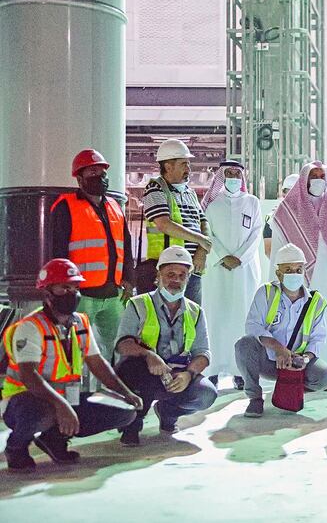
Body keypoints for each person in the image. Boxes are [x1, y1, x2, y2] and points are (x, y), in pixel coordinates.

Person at [2, 259, 142, 472]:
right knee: (41, 412)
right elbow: (29, 376)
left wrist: (126, 392)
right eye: (65, 287)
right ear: (48, 294)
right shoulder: (31, 327)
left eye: (76, 288)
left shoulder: (81, 323)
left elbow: (98, 364)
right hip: (25, 402)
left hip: (69, 398)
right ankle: (16, 447)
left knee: (126, 411)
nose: (73, 293)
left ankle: (54, 439)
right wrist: (61, 405)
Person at [115, 246, 218, 446]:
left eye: (182, 275)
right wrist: (147, 355)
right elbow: (123, 344)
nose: (176, 280)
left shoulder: (195, 311)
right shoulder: (138, 304)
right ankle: (132, 424)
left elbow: (203, 353)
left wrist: (188, 375)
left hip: (176, 374)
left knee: (206, 393)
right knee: (133, 372)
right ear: (159, 275)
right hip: (143, 372)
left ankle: (168, 413)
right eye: (170, 274)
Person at [268, 161, 327, 391]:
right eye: (313, 175)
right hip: (297, 280)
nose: (317, 179)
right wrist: (277, 280)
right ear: (304, 180)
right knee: (297, 324)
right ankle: (297, 374)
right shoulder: (287, 211)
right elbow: (278, 249)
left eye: (321, 175)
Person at [50, 149, 136, 368]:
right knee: (77, 349)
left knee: (120, 348)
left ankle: (116, 392)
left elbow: (125, 246)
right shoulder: (65, 206)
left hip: (114, 296)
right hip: (82, 296)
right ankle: (76, 394)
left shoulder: (115, 207)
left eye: (103, 173)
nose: (100, 177)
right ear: (79, 179)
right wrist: (63, 291)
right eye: (93, 172)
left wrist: (129, 278)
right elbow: (58, 252)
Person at [235, 243, 327, 417]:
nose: (294, 274)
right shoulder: (266, 293)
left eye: (299, 269)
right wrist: (279, 349)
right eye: (288, 269)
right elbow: (253, 326)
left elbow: (318, 338)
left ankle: (291, 387)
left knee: (325, 376)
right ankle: (255, 398)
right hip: (269, 360)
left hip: (296, 364)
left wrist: (305, 358)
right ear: (278, 274)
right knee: (244, 345)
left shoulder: (316, 301)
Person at [202, 160, 263, 390]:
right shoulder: (211, 205)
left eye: (237, 173)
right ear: (221, 176)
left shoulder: (252, 202)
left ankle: (241, 371)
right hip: (218, 271)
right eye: (228, 173)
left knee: (242, 318)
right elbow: (207, 233)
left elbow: (256, 234)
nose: (233, 176)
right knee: (216, 318)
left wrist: (240, 257)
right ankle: (215, 370)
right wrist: (223, 255)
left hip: (245, 270)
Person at [139, 139, 213, 304]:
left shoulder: (190, 193)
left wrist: (202, 251)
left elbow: (204, 222)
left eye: (188, 164)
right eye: (183, 164)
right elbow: (164, 224)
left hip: (191, 269)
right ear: (168, 166)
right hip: (167, 270)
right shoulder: (155, 189)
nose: (188, 169)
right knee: (163, 317)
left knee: (191, 317)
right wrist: (200, 239)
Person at [262, 173, 299, 261]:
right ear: (283, 193)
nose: (290, 195)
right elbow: (268, 250)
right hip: (281, 268)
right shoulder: (272, 217)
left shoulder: (311, 216)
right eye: (287, 191)